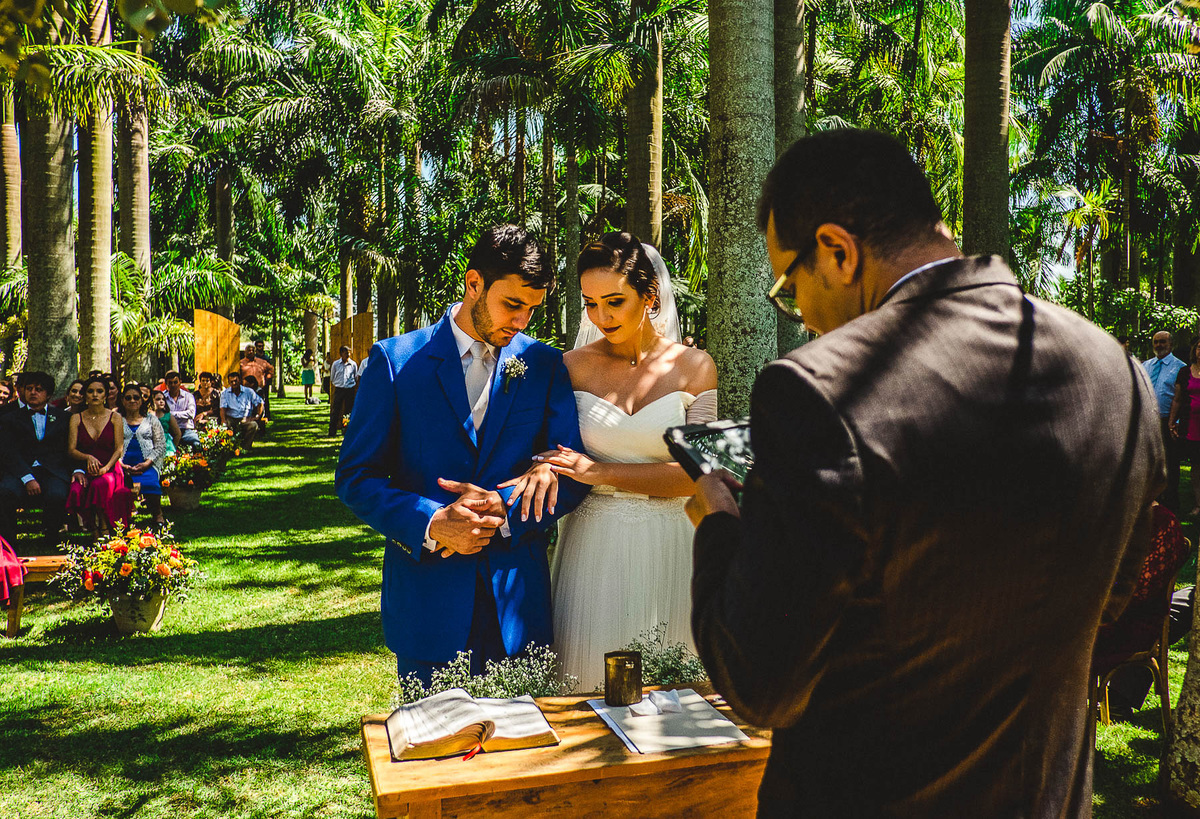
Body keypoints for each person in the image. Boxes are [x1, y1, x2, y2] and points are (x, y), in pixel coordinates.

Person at [684, 129, 1164, 817]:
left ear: (837, 251)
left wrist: (720, 528)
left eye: (790, 287)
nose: (801, 316)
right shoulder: (1113, 370)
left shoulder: (818, 392)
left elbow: (762, 684)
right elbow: (1112, 596)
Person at [336, 224, 590, 683]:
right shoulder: (395, 362)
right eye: (512, 304)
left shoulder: (545, 365)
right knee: (434, 751)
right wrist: (432, 522)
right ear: (474, 283)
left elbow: (571, 473)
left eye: (531, 309)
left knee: (523, 751)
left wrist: (504, 507)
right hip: (426, 610)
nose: (520, 323)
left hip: (518, 613)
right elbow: (356, 477)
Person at [541, 233, 717, 691]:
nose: (601, 317)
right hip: (593, 547)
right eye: (591, 303)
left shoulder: (696, 368)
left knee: (675, 693)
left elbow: (698, 476)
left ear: (650, 296)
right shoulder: (570, 367)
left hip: (673, 544)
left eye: (615, 301)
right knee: (590, 685)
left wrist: (597, 471)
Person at [0, 372, 74, 544]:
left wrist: (76, 470)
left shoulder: (64, 418)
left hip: (52, 471)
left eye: (39, 389)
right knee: (5, 492)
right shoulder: (9, 419)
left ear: (48, 395)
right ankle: (9, 543)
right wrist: (27, 478)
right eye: (29, 389)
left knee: (57, 494)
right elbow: (8, 452)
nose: (33, 392)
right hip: (21, 471)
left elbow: (69, 448)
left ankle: (51, 537)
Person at [66, 376, 133, 535]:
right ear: (85, 395)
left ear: (105, 395)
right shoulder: (76, 418)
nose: (95, 395)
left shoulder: (115, 417)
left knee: (101, 484)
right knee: (76, 489)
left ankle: (103, 529)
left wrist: (106, 468)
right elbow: (71, 449)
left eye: (99, 391)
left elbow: (119, 449)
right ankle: (91, 527)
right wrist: (87, 457)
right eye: (90, 391)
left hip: (111, 468)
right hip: (86, 469)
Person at [1143, 331, 1186, 512]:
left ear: (1171, 344)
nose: (1159, 345)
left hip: (1167, 421)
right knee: (1150, 462)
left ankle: (1171, 501)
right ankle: (1153, 499)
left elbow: (1182, 398)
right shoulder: (1146, 365)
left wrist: (1174, 422)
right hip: (1147, 421)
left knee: (1170, 462)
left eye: (1162, 342)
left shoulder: (1180, 367)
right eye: (1156, 342)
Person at [119, 384, 167, 528]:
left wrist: (147, 463)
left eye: (136, 397)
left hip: (147, 464)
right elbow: (112, 445)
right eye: (128, 398)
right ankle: (124, 518)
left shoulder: (151, 420)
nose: (132, 401)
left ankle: (157, 514)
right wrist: (121, 464)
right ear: (122, 401)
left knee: (151, 483)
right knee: (120, 487)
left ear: (141, 401)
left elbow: (160, 445)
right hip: (122, 465)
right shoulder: (116, 420)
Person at [1169, 338, 1200, 518]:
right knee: (1196, 466)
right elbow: (1178, 399)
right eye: (1198, 348)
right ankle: (1198, 504)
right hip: (1192, 425)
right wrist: (1172, 421)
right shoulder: (1184, 371)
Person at [220, 370, 264, 450]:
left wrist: (257, 416)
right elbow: (222, 408)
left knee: (253, 425)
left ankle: (245, 448)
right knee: (225, 426)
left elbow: (260, 403)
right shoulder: (225, 393)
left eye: (235, 381)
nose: (234, 383)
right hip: (231, 418)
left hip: (245, 418)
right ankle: (230, 448)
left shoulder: (249, 392)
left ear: (239, 381)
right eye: (231, 382)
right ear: (229, 383)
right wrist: (223, 420)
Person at [163, 371, 201, 449]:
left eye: (175, 382)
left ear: (180, 382)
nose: (173, 385)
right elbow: (161, 414)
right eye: (170, 383)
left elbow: (191, 414)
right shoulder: (162, 397)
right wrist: (182, 414)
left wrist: (171, 414)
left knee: (196, 443)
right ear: (166, 384)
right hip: (169, 430)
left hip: (185, 429)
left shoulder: (188, 396)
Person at [327, 345, 358, 436]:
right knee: (336, 410)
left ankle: (346, 429)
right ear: (341, 354)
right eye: (345, 353)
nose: (348, 355)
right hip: (339, 389)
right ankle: (332, 430)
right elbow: (332, 377)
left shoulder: (353, 364)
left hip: (349, 390)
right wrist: (338, 384)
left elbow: (355, 377)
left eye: (349, 353)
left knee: (347, 411)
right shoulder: (336, 364)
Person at [239, 343, 274, 421]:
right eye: (249, 350)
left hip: (259, 388)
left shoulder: (262, 362)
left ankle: (261, 418)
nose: (250, 352)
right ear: (245, 352)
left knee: (260, 404)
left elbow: (271, 369)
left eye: (252, 350)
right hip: (246, 389)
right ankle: (247, 419)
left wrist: (267, 378)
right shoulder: (241, 363)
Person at [150, 389, 181, 457]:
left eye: (163, 399)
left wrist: (173, 446)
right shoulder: (147, 416)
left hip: (167, 446)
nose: (161, 401)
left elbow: (177, 434)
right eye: (158, 399)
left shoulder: (168, 416)